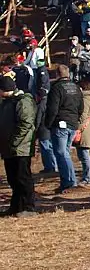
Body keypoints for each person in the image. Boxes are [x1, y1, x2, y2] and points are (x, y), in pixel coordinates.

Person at [0, 74, 38, 217]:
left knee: (23, 178)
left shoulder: (23, 101)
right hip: (9, 148)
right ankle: (16, 206)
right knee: (13, 178)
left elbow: (26, 123)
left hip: (21, 148)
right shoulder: (6, 102)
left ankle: (28, 207)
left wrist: (14, 141)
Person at [45, 64, 83, 193]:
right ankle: (68, 180)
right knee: (65, 153)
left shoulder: (56, 88)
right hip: (72, 123)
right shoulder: (76, 88)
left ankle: (69, 182)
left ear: (57, 74)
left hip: (60, 124)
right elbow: (81, 107)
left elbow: (52, 108)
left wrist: (48, 124)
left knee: (61, 153)